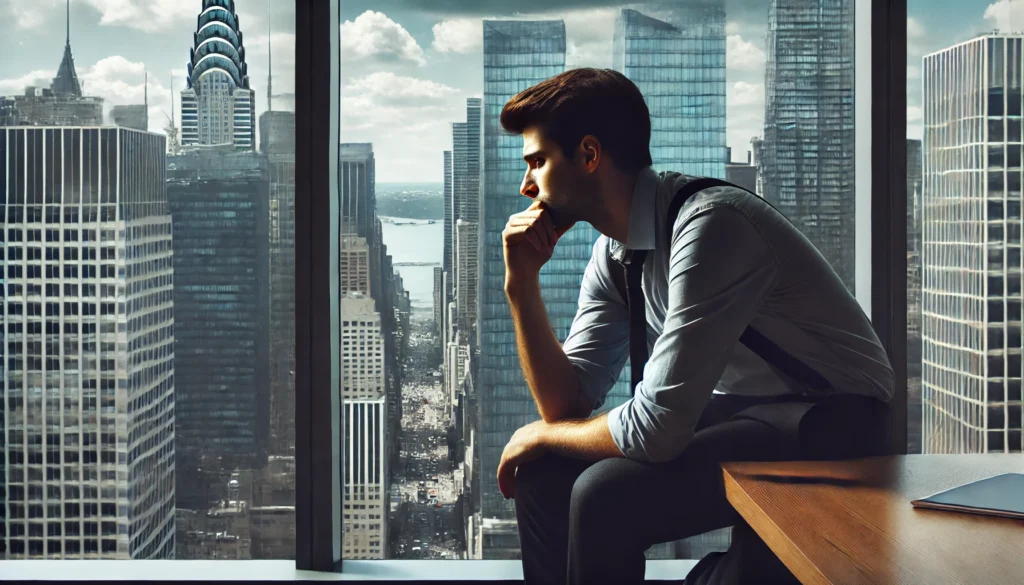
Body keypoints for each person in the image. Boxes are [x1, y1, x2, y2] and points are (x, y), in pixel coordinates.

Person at [495, 68, 895, 585]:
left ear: (589, 155)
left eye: (538, 162)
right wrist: (520, 285)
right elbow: (566, 404)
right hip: (748, 414)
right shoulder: (614, 254)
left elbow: (656, 431)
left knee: (603, 496)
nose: (527, 185)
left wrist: (541, 435)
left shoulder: (711, 227)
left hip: (834, 422)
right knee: (545, 476)